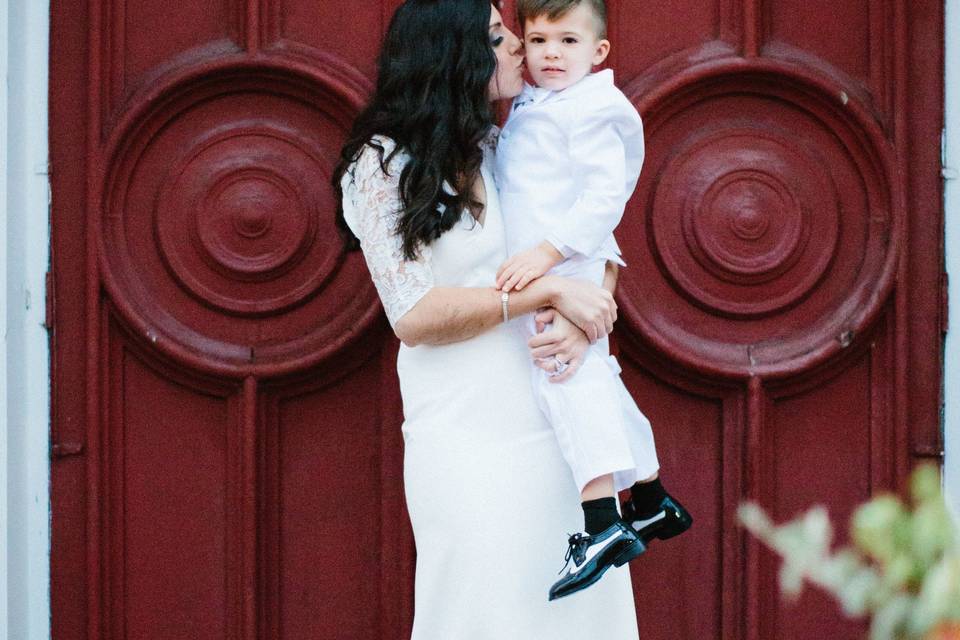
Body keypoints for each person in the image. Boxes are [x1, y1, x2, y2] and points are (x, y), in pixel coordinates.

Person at [332, 1, 644, 636]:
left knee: (578, 616)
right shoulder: (382, 165)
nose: (519, 50)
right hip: (463, 426)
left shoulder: (498, 147)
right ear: (453, 56)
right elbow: (412, 313)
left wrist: (586, 311)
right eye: (500, 38)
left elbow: (590, 237)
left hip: (548, 412)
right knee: (480, 603)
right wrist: (541, 295)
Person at [493, 0, 692, 600]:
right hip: (549, 260)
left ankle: (602, 522)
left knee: (564, 374)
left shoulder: (597, 107)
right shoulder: (532, 103)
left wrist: (550, 255)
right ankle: (653, 499)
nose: (552, 53)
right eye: (539, 40)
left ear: (599, 51)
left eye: (569, 41)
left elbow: (607, 197)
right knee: (596, 377)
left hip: (567, 258)